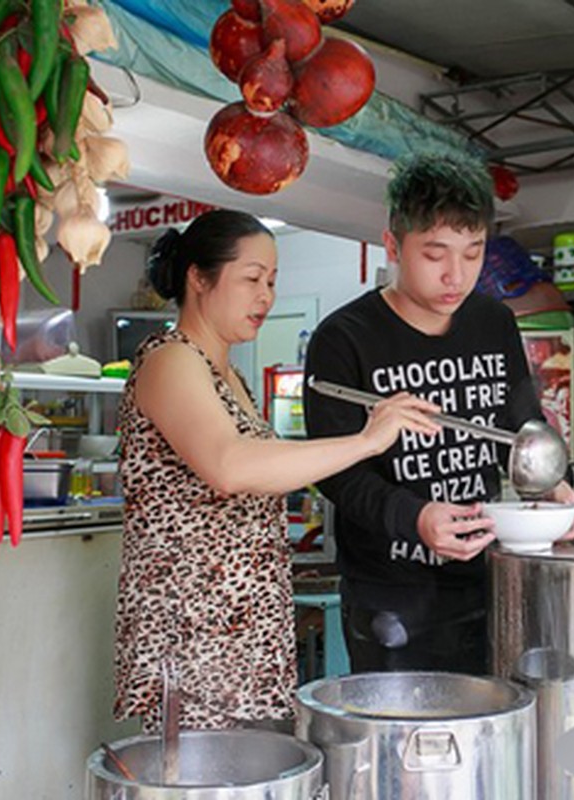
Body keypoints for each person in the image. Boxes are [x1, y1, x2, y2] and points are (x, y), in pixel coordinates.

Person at [114, 209, 440, 732]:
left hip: (244, 635)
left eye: (271, 281)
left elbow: (260, 466)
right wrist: (365, 440)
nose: (265, 296)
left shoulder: (230, 375)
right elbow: (229, 466)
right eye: (250, 279)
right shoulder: (170, 360)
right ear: (198, 278)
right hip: (195, 638)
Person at [303, 153, 574, 675]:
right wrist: (414, 518)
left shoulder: (493, 321)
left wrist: (550, 486)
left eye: (473, 253)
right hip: (391, 595)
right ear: (392, 246)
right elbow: (338, 473)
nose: (457, 276)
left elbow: (519, 428)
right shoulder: (344, 339)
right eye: (435, 255)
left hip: (490, 578)